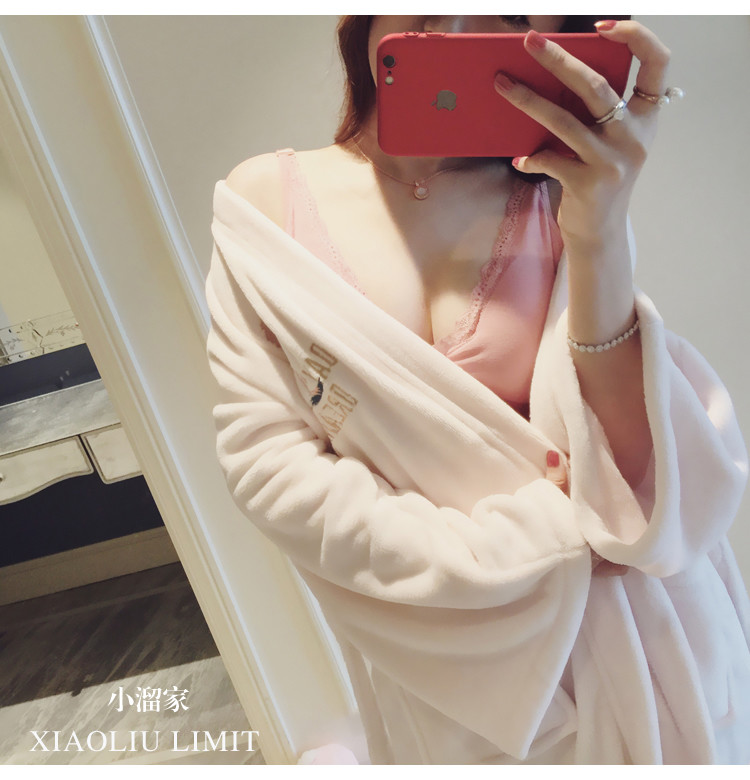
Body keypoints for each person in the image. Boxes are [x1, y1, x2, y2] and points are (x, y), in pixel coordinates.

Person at [205, 16, 750, 764]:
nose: (452, 20)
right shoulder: (265, 204)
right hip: (453, 669)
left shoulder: (566, 193)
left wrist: (601, 230)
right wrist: (535, 544)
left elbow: (634, 481)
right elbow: (269, 467)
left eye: (511, 15)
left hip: (641, 651)